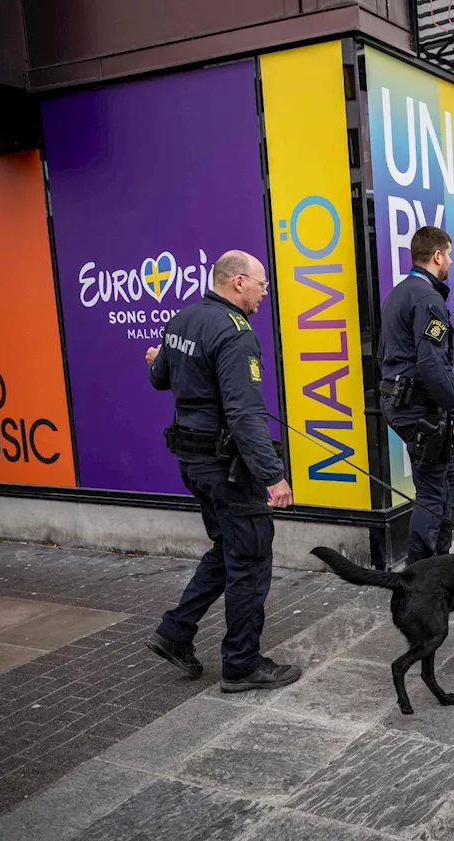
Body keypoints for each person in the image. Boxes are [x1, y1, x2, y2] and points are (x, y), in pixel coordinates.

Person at [141, 250, 301, 693]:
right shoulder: (236, 334)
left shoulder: (182, 318)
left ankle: (175, 632)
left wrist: (158, 357)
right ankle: (242, 665)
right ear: (237, 282)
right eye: (261, 284)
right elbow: (246, 413)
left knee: (227, 549)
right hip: (227, 469)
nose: (264, 293)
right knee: (249, 560)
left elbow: (159, 378)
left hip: (192, 463)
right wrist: (273, 476)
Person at [377, 226, 454, 564]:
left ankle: (438, 562)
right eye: (448, 254)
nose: (450, 260)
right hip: (418, 408)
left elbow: (383, 353)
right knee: (433, 491)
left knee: (448, 476)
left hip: (402, 402)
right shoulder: (428, 298)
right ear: (436, 256)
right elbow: (432, 363)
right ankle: (421, 575)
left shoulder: (400, 293)